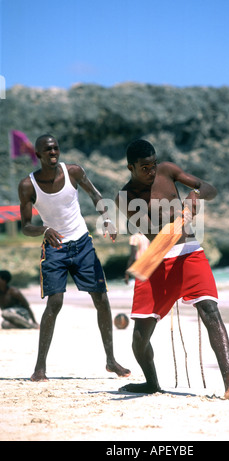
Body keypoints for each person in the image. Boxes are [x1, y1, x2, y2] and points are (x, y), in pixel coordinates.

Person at [115, 139, 229, 400]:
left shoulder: (167, 170)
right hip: (156, 260)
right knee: (140, 338)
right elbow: (154, 234)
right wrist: (182, 214)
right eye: (144, 167)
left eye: (153, 164)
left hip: (189, 252)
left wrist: (196, 196)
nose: (152, 171)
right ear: (130, 167)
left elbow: (209, 188)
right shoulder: (125, 198)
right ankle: (151, 383)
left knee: (210, 310)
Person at [18, 134, 130, 381]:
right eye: (47, 149)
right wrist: (43, 230)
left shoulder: (74, 172)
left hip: (82, 243)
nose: (53, 152)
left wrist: (107, 219)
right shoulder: (28, 185)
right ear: (37, 154)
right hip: (54, 247)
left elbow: (96, 196)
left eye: (56, 147)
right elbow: (25, 226)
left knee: (101, 299)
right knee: (54, 303)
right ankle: (40, 368)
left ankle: (111, 361)